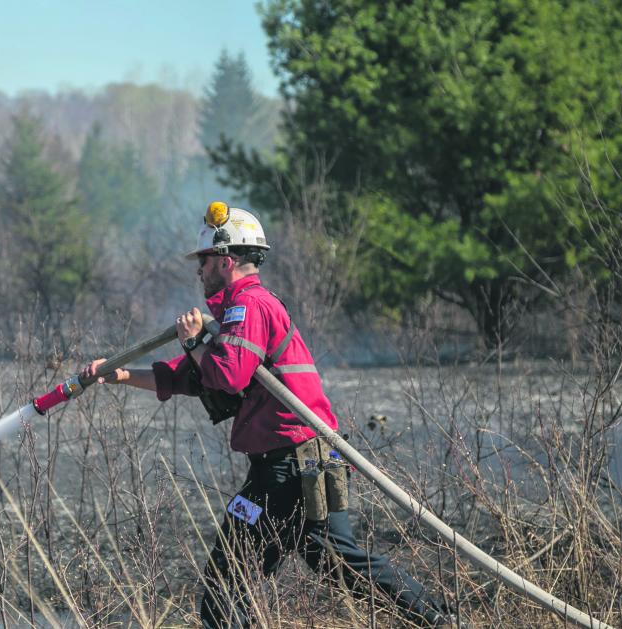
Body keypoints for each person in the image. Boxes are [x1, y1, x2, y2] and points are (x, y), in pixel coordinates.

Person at [82, 202, 450, 628]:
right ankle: (437, 620)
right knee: (335, 560)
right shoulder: (234, 317)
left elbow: (228, 375)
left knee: (223, 592)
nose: (198, 272)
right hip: (311, 461)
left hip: (287, 467)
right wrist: (119, 373)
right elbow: (185, 378)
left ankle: (437, 620)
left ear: (224, 260)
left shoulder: (248, 307)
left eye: (203, 262)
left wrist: (191, 343)